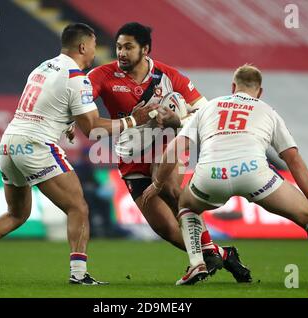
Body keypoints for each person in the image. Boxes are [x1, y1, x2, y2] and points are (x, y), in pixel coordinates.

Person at [0, 23, 156, 285]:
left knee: (17, 213)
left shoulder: (42, 67)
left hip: (8, 144)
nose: (95, 52)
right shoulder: (77, 77)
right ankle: (78, 274)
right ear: (83, 46)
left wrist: (67, 123)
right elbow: (93, 127)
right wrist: (133, 121)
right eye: (94, 46)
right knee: (78, 207)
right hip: (37, 145)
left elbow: (47, 105)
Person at [142, 64, 308, 287]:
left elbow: (176, 148)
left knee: (186, 205)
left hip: (211, 174)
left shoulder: (210, 106)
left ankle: (197, 262)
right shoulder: (267, 110)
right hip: (254, 173)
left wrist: (157, 184)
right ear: (260, 91)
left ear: (233, 87)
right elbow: (292, 158)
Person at [87, 22, 251, 282]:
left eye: (128, 47)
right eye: (118, 47)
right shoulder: (101, 75)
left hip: (165, 142)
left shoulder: (170, 76)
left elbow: (207, 114)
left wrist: (178, 120)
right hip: (129, 157)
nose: (121, 53)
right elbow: (81, 103)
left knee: (168, 186)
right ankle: (220, 253)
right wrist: (74, 119)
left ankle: (200, 260)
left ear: (145, 49)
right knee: (165, 227)